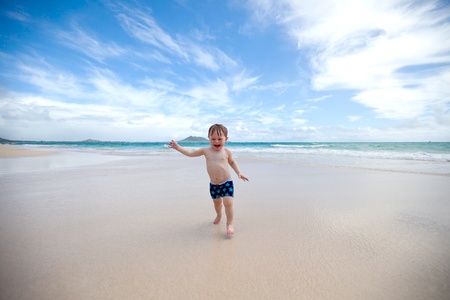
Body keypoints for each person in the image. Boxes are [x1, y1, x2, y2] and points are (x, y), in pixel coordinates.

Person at [168, 124, 249, 235]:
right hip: (214, 184)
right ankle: (219, 215)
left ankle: (229, 224)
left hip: (226, 182)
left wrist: (239, 172)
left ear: (226, 139)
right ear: (208, 138)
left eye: (220, 139)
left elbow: (232, 162)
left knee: (228, 202)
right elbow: (191, 153)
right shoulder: (206, 151)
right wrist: (178, 147)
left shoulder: (227, 152)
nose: (216, 141)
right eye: (213, 139)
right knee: (217, 204)